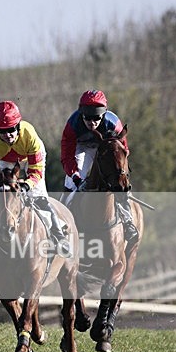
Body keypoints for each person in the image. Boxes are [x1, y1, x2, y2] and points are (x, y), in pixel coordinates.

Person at [0, 100, 70, 254]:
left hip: (30, 159)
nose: (7, 135)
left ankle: (58, 235)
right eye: (2, 131)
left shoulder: (29, 135)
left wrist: (27, 185)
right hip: (6, 161)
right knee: (0, 199)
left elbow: (36, 170)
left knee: (39, 196)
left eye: (11, 129)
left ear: (18, 126)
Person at [60, 89, 139, 242]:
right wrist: (75, 176)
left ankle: (127, 221)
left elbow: (124, 151)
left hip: (105, 146)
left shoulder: (114, 124)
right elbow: (67, 157)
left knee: (118, 182)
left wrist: (120, 175)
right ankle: (63, 223)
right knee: (70, 182)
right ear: (81, 114)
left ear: (104, 114)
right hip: (81, 147)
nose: (92, 123)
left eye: (96, 118)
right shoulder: (72, 125)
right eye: (88, 118)